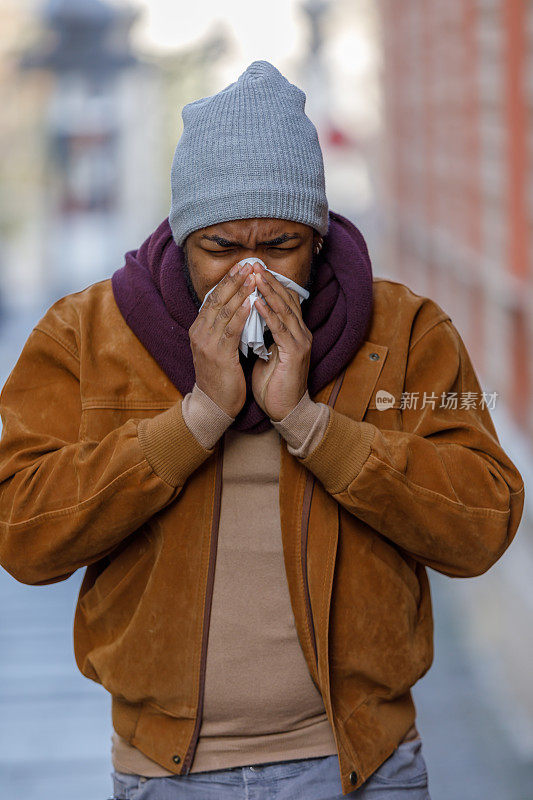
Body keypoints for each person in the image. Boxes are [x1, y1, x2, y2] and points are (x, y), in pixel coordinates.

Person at [0, 61, 524, 800]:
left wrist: (309, 422)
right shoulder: (87, 335)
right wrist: (197, 418)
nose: (251, 274)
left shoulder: (403, 332)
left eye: (279, 246)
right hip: (168, 774)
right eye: (220, 248)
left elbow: (481, 525)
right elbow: (24, 533)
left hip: (363, 764)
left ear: (316, 234)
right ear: (181, 238)